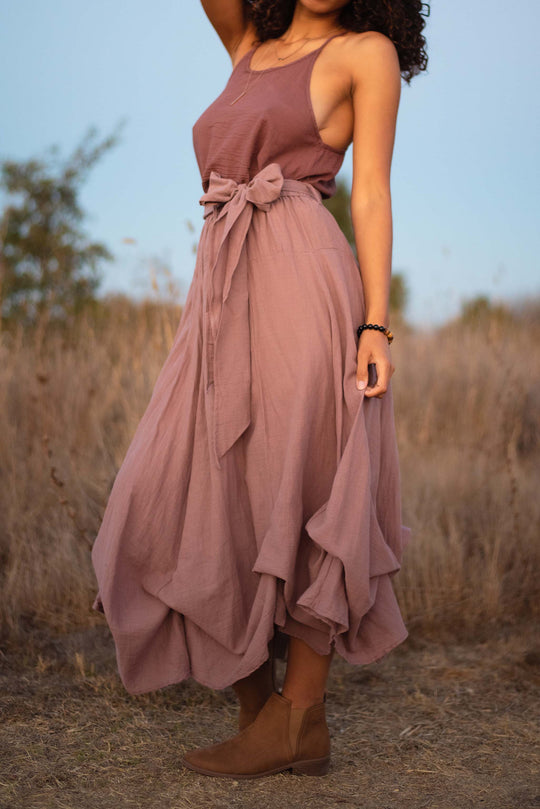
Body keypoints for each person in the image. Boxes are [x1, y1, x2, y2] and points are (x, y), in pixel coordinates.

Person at [91, 0, 429, 781]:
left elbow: (371, 191)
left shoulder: (364, 52)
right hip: (220, 288)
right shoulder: (249, 41)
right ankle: (260, 710)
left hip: (304, 279)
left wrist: (375, 325)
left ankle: (300, 716)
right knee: (178, 492)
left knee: (310, 479)